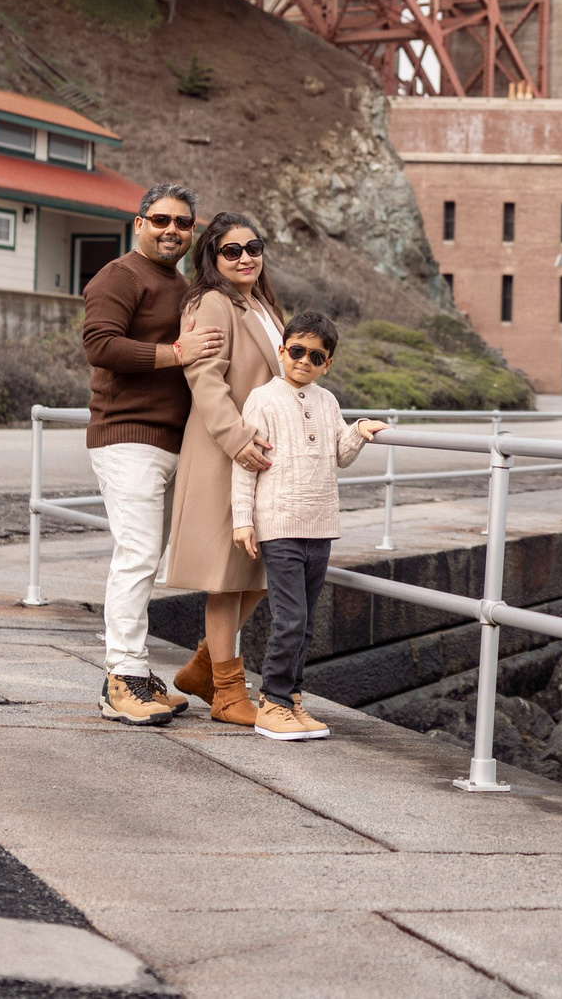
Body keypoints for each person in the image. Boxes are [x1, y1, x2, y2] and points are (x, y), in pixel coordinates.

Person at [79, 182, 224, 725]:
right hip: (126, 436)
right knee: (137, 556)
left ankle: (136, 675)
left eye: (183, 223)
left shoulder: (177, 282)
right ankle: (121, 678)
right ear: (139, 222)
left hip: (169, 441)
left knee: (148, 558)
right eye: (160, 219)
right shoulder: (120, 275)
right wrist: (176, 352)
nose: (172, 230)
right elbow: (100, 344)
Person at [229, 310, 383, 739]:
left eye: (316, 356)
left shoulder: (327, 400)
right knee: (290, 617)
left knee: (307, 620)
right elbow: (244, 464)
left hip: (320, 524)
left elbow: (340, 454)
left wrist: (360, 430)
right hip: (278, 524)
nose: (304, 361)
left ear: (327, 364)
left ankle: (292, 697)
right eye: (296, 351)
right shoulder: (262, 398)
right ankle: (272, 702)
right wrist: (243, 520)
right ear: (282, 350)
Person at [161, 210, 286, 726]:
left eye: (252, 248)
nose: (245, 258)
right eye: (231, 251)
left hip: (262, 459)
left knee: (258, 570)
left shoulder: (262, 304)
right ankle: (229, 693)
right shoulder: (211, 302)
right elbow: (205, 380)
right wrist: (236, 439)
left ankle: (203, 667)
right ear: (211, 257)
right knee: (227, 579)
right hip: (222, 453)